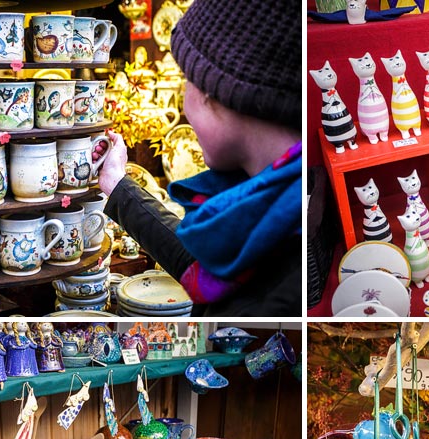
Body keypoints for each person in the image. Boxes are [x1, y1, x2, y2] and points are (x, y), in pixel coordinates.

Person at [96, 0, 301, 317]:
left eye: (186, 78)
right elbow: (200, 262)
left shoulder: (286, 285)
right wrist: (117, 184)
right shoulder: (263, 204)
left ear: (217, 91)